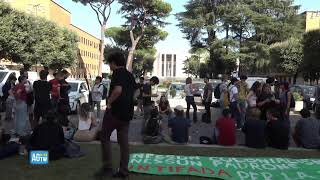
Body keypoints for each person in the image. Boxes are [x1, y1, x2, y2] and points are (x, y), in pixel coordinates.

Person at [95, 52, 137, 179]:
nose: (109, 66)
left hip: (115, 112)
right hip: (127, 113)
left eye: (109, 64)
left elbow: (118, 90)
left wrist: (109, 102)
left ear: (114, 63)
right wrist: (130, 100)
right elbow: (137, 90)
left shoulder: (117, 73)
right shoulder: (130, 75)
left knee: (104, 136)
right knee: (123, 142)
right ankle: (123, 171)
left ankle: (107, 167)